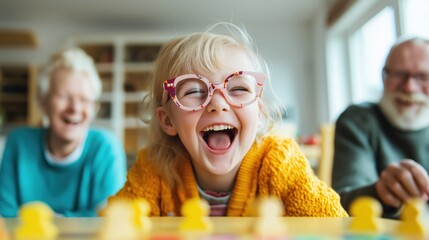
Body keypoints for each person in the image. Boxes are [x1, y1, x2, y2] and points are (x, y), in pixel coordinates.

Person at [108, 23, 347, 217]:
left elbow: (333, 226)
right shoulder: (154, 168)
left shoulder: (279, 162)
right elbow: (113, 227)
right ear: (168, 120)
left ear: (259, 112)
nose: (218, 103)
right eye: (193, 91)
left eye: (239, 89)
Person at [0, 48, 127, 217]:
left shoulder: (106, 148)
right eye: (64, 96)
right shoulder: (19, 143)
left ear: (94, 108)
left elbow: (110, 219)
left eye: (84, 99)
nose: (75, 108)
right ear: (43, 102)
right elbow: (5, 216)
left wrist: (49, 222)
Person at [332, 37, 429, 218]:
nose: (409, 87)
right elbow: (341, 200)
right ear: (384, 76)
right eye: (399, 75)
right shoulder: (357, 120)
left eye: (423, 77)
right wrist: (381, 192)